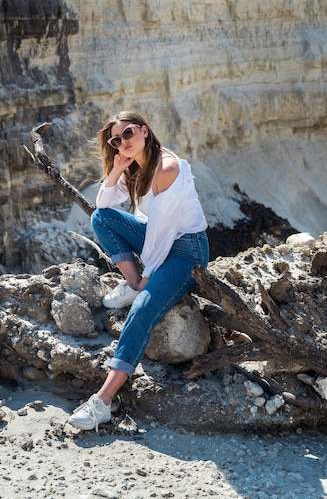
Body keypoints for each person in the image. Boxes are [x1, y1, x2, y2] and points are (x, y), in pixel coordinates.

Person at [68, 110, 209, 431]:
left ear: (145, 131)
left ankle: (102, 402)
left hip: (188, 251)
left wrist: (150, 277)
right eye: (116, 140)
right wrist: (116, 169)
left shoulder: (166, 168)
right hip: (162, 238)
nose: (123, 142)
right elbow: (103, 204)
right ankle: (131, 283)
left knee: (142, 310)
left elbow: (163, 231)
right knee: (100, 219)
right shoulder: (134, 165)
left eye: (128, 134)